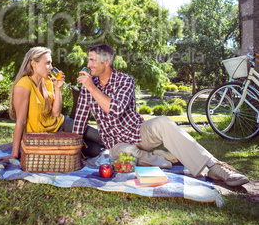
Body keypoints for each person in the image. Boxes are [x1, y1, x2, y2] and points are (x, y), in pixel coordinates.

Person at [73, 43, 249, 187]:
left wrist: (92, 88)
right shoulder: (88, 86)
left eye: (92, 60)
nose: (88, 65)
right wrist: (73, 150)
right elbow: (80, 118)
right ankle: (161, 159)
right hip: (117, 144)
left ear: (107, 62)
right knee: (126, 152)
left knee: (164, 122)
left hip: (138, 132)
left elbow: (116, 109)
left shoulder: (125, 81)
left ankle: (213, 167)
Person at [2, 46, 103, 160]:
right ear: (33, 64)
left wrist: (58, 88)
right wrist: (14, 154)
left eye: (51, 63)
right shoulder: (24, 85)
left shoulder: (47, 81)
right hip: (45, 136)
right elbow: (21, 121)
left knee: (100, 138)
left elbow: (55, 113)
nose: (51, 67)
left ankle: (125, 146)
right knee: (94, 149)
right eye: (47, 63)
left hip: (61, 123)